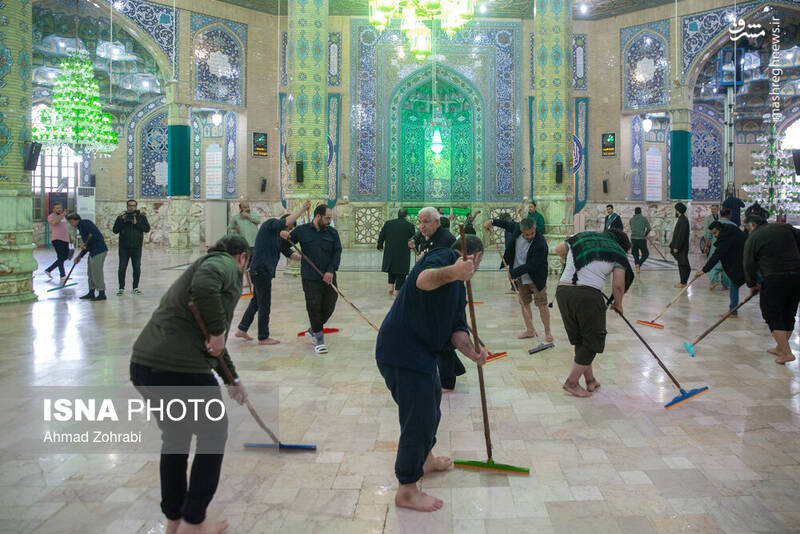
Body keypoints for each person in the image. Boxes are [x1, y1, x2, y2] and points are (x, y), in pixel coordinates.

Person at [130, 235, 249, 534]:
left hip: (145, 365)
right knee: (212, 435)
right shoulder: (223, 263)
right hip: (179, 371)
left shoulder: (206, 265)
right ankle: (194, 521)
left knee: (176, 437)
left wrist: (232, 379)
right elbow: (207, 295)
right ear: (242, 258)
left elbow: (212, 342)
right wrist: (219, 332)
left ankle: (175, 518)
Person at [375, 236, 488, 512]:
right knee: (418, 418)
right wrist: (455, 271)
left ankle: (425, 459)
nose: (475, 268)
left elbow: (456, 330)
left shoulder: (459, 290)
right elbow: (422, 280)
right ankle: (407, 487)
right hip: (401, 349)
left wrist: (472, 350)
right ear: (474, 256)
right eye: (477, 261)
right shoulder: (441, 256)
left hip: (421, 354)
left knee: (431, 407)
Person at [554, 229, 633, 397]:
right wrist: (618, 305)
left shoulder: (581, 238)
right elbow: (618, 284)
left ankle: (590, 381)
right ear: (623, 245)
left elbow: (558, 249)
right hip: (587, 296)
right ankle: (572, 382)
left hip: (563, 292)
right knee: (593, 341)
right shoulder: (617, 251)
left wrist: (572, 263)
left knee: (581, 339)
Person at [235, 201, 309, 345]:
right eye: (288, 228)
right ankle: (263, 337)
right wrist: (301, 210)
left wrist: (304, 259)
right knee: (264, 304)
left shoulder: (278, 239)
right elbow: (285, 221)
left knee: (256, 301)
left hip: (263, 271)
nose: (288, 232)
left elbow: (289, 253)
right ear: (284, 223)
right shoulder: (271, 224)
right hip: (260, 269)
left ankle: (242, 329)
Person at [743, 215, 800, 365]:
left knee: (772, 314)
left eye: (748, 227)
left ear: (753, 225)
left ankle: (786, 353)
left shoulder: (754, 237)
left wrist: (752, 284)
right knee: (789, 312)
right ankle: (780, 347)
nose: (747, 230)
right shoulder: (785, 227)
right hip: (797, 276)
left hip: (774, 278)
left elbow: (748, 264)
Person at [485, 216, 551, 341]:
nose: (530, 236)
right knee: (524, 303)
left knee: (542, 304)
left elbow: (533, 265)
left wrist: (514, 273)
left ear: (535, 229)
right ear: (521, 230)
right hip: (521, 278)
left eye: (532, 233)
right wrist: (491, 222)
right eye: (526, 234)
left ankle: (548, 332)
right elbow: (506, 224)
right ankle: (530, 330)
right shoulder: (516, 228)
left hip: (536, 278)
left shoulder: (541, 243)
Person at [289, 204, 342, 354]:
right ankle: (319, 339)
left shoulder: (332, 233)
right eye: (327, 218)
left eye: (330, 218)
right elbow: (283, 245)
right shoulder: (302, 231)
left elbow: (337, 252)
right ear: (317, 216)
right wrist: (292, 254)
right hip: (310, 277)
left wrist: (331, 271)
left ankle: (313, 329)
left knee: (330, 304)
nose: (329, 221)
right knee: (314, 306)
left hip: (329, 277)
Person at [696, 221, 747, 317]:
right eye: (712, 234)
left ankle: (733, 311)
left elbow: (717, 254)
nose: (714, 236)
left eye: (715, 233)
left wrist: (704, 270)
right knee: (734, 284)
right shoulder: (729, 229)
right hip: (742, 260)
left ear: (720, 229)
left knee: (757, 282)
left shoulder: (726, 236)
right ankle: (733, 311)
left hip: (743, 262)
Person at [66, 213, 108, 301]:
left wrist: (86, 245)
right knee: (90, 272)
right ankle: (91, 292)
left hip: (99, 250)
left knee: (97, 272)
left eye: (71, 222)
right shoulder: (80, 227)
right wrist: (80, 256)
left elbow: (94, 235)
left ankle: (101, 293)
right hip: (92, 251)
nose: (71, 224)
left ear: (74, 220)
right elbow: (87, 244)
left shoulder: (85, 223)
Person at [113, 199, 151, 295]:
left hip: (136, 247)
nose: (131, 207)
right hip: (124, 248)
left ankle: (135, 287)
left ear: (136, 206)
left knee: (137, 267)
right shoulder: (121, 217)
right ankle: (121, 288)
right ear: (127, 206)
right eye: (129, 205)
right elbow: (115, 230)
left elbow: (147, 229)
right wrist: (122, 221)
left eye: (133, 205)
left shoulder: (141, 217)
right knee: (122, 268)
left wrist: (136, 223)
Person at [378, 208, 416, 295]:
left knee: (391, 268)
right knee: (401, 271)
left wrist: (379, 245)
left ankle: (391, 286)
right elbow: (413, 239)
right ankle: (397, 291)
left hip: (390, 251)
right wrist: (415, 248)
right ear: (406, 216)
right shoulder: (410, 225)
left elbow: (382, 234)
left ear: (398, 215)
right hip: (403, 252)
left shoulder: (388, 223)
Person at [44, 202, 71, 285]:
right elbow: (54, 223)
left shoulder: (63, 217)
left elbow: (65, 228)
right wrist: (62, 215)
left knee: (65, 257)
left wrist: (70, 238)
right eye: (57, 208)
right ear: (53, 209)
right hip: (57, 239)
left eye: (60, 207)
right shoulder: (51, 216)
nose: (59, 209)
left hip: (65, 239)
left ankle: (49, 270)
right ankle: (62, 275)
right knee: (61, 257)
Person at [702, 205, 728, 291]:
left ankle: (723, 284)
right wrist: (706, 245)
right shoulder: (708, 219)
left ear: (718, 210)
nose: (713, 210)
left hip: (718, 245)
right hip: (714, 244)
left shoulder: (721, 219)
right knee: (719, 264)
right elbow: (707, 233)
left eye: (715, 209)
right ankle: (717, 282)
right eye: (712, 209)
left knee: (715, 264)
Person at [669, 202, 691, 288]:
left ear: (678, 210)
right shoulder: (682, 219)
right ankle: (684, 281)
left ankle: (683, 282)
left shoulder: (683, 220)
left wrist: (676, 247)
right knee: (683, 263)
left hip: (681, 247)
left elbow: (681, 235)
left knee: (682, 264)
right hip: (682, 246)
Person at [629, 207, 651, 273]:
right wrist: (645, 234)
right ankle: (639, 264)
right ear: (641, 212)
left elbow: (632, 228)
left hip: (633, 239)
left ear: (635, 212)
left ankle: (637, 266)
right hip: (641, 239)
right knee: (646, 254)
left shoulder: (631, 219)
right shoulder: (644, 219)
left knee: (635, 254)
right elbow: (649, 228)